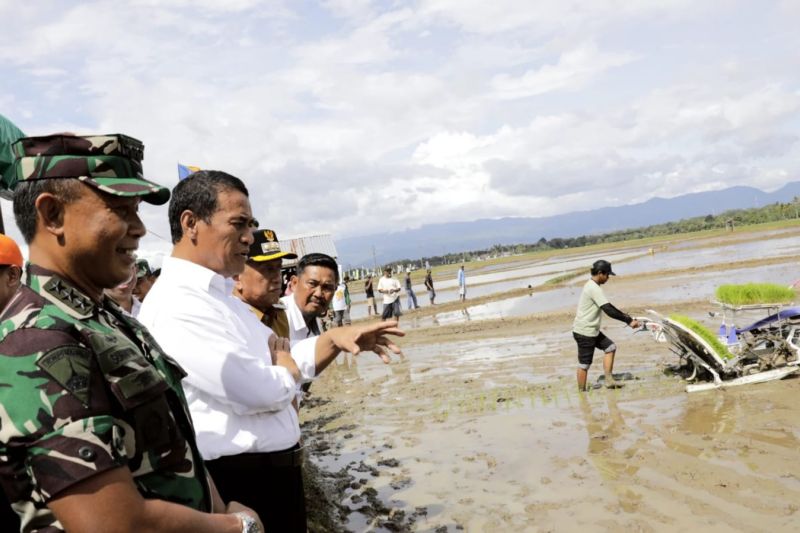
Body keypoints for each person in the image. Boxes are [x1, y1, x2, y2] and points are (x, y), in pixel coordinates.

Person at [0, 134, 260, 532]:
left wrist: (220, 510)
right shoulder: (36, 340)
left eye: (137, 210)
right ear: (52, 214)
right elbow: (113, 524)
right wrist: (239, 526)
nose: (139, 229)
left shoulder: (107, 320)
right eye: (121, 209)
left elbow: (174, 449)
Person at [138, 171, 403, 532]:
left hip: (269, 477)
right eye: (238, 223)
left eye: (251, 224)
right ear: (191, 223)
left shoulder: (217, 297)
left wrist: (333, 338)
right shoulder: (179, 303)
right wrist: (287, 370)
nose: (249, 236)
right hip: (242, 483)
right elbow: (261, 390)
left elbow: (282, 354)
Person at [572, 259, 639, 391]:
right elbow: (608, 309)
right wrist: (629, 320)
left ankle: (608, 380)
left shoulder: (592, 286)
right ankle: (582, 392)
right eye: (607, 274)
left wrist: (627, 318)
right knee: (584, 364)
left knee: (610, 347)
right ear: (600, 273)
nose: (608, 278)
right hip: (585, 332)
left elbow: (609, 307)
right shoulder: (593, 288)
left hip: (592, 330)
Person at [234, 228, 297, 338]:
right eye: (268, 269)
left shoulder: (278, 315)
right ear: (237, 277)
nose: (278, 278)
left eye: (279, 268)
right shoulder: (230, 320)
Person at [281, 253, 339, 345]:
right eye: (312, 284)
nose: (319, 294)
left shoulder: (314, 318)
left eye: (327, 287)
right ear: (294, 283)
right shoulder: (277, 319)